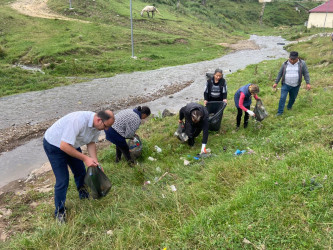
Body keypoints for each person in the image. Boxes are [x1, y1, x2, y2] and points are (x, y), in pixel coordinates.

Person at [43, 110, 115, 223]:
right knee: (63, 180)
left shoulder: (97, 126)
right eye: (106, 126)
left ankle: (84, 195)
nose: (106, 129)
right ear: (99, 120)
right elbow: (64, 146)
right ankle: (60, 213)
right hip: (54, 145)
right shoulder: (78, 120)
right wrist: (86, 158)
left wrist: (95, 162)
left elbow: (91, 143)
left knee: (81, 172)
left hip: (71, 143)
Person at [273, 51, 310, 116]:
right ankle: (280, 112)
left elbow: (306, 73)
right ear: (289, 58)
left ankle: (289, 107)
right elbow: (280, 73)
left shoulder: (302, 64)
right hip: (286, 84)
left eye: (294, 59)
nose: (292, 61)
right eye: (291, 59)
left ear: (297, 58)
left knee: (292, 98)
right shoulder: (285, 64)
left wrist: (308, 83)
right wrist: (276, 82)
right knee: (282, 98)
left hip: (296, 85)